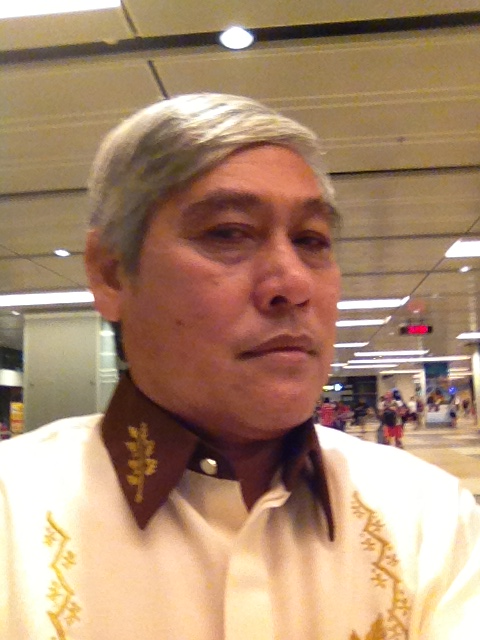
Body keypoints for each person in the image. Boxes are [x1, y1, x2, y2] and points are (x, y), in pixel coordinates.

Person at [0, 94, 479, 639]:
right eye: (228, 233)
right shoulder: (13, 517)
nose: (292, 283)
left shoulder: (429, 522)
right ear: (111, 274)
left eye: (311, 240)